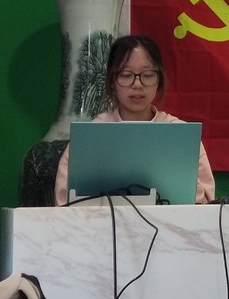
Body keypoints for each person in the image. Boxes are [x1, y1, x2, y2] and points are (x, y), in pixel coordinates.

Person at [54, 35, 215, 205]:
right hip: (102, 222)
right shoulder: (92, 135)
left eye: (147, 75)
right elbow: (64, 201)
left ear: (158, 81)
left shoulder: (181, 135)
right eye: (126, 75)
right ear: (112, 81)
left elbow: (207, 202)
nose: (137, 84)